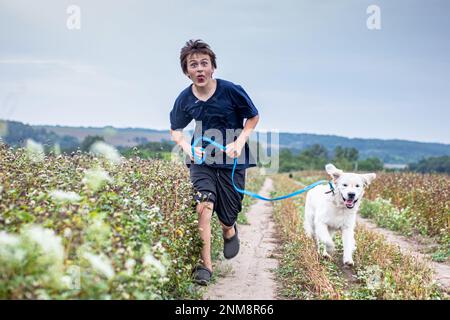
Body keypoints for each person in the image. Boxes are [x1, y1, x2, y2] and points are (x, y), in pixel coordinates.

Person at [169, 39, 260, 285]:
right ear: (186, 71)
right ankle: (205, 266)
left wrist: (239, 142)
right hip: (202, 160)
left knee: (227, 214)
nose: (199, 69)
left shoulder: (231, 90)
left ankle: (229, 229)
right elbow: (175, 129)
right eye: (193, 65)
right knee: (203, 204)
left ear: (212, 67)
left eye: (204, 64)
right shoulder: (185, 99)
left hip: (232, 160)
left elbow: (253, 117)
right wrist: (187, 146)